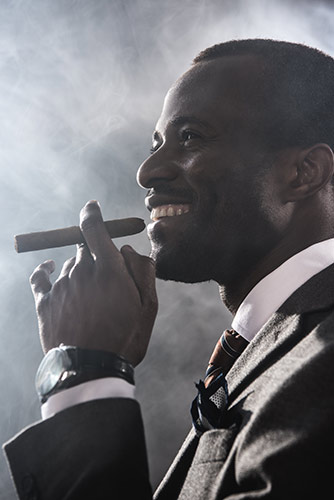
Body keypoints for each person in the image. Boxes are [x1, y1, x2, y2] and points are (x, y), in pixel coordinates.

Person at [4, 39, 334, 499]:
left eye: (191, 137)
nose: (148, 171)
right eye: (157, 143)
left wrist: (88, 373)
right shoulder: (268, 347)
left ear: (303, 173)